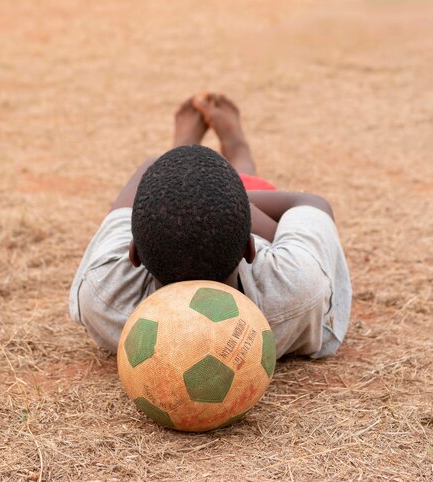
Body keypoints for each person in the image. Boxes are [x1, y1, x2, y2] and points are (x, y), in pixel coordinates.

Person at [69, 93, 351, 359]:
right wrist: (228, 200)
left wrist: (187, 190)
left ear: (133, 252)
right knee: (248, 185)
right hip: (245, 232)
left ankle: (192, 155)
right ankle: (238, 152)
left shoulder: (104, 297)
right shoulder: (296, 288)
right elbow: (310, 203)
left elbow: (147, 169)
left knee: (169, 176)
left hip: (218, 224)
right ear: (250, 248)